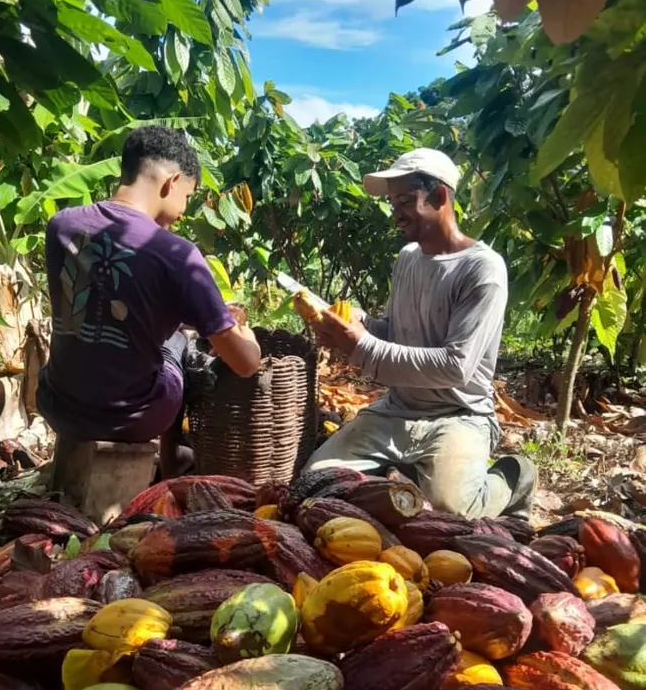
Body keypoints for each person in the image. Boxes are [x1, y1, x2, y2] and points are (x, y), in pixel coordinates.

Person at [304, 149, 535, 519]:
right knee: (315, 481)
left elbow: (455, 366)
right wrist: (358, 326)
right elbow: (398, 333)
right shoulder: (409, 258)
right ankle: (410, 470)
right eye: (393, 202)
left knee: (451, 508)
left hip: (459, 414)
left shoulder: (482, 269)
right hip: (398, 410)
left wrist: (361, 344)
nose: (396, 212)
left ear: (441, 197)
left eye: (406, 201)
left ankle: (514, 477)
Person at [37, 124, 261, 447]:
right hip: (131, 418)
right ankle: (171, 467)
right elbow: (245, 363)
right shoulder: (177, 254)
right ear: (171, 183)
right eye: (187, 196)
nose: (183, 212)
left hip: (57, 405)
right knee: (178, 342)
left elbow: (107, 298)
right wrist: (248, 336)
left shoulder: (61, 226)